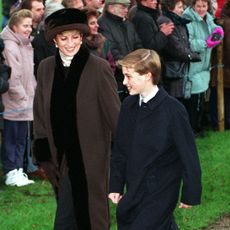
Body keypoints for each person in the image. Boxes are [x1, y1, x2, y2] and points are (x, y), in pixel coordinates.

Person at [33, 8, 120, 230]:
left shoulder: (98, 67)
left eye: (75, 37)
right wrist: (42, 147)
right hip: (57, 155)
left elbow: (114, 114)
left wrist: (127, 151)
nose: (70, 44)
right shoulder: (45, 68)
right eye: (64, 39)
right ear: (54, 40)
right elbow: (40, 112)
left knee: (88, 214)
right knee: (69, 210)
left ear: (82, 37)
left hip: (90, 155)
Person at [108, 48, 202, 230]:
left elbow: (188, 154)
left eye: (129, 76)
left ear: (147, 75)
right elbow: (120, 150)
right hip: (134, 187)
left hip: (162, 189)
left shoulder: (173, 110)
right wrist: (116, 185)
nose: (124, 82)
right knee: (127, 219)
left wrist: (191, 192)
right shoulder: (128, 106)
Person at [0, 9, 36, 186]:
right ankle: (10, 171)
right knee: (11, 136)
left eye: (30, 25)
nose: (29, 29)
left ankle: (19, 169)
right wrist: (22, 96)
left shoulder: (26, 44)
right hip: (14, 101)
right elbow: (13, 76)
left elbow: (29, 74)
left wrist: (33, 94)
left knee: (22, 136)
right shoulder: (9, 45)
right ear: (14, 26)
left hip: (26, 100)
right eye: (25, 26)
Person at [182, 0, 224, 134]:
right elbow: (189, 43)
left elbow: (215, 30)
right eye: (198, 6)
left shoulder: (208, 17)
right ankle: (192, 129)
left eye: (204, 6)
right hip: (193, 66)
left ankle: (197, 127)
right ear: (193, 6)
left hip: (204, 66)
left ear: (208, 6)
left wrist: (219, 31)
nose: (201, 9)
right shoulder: (188, 20)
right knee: (193, 101)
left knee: (200, 98)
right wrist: (206, 43)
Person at [98, 0, 142, 101]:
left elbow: (137, 44)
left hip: (132, 72)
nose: (127, 10)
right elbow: (111, 50)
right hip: (117, 76)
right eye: (123, 7)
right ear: (111, 8)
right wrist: (128, 66)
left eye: (127, 7)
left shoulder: (127, 23)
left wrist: (141, 61)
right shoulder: (102, 23)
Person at [160, 0, 201, 100]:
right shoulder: (166, 22)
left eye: (182, 7)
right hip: (172, 70)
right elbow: (175, 47)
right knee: (173, 101)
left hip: (181, 69)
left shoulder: (180, 22)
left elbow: (185, 44)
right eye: (179, 7)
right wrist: (192, 55)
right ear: (170, 7)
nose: (182, 10)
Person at [84, 7, 116, 72]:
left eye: (96, 22)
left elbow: (111, 64)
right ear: (84, 25)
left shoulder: (103, 41)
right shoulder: (78, 44)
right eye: (92, 23)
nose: (97, 25)